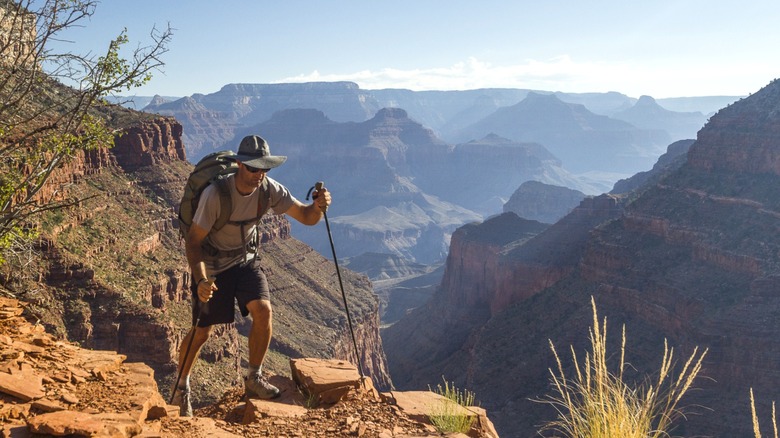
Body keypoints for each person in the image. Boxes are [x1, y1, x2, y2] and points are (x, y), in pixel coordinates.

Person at [171, 135, 331, 416]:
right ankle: (181, 387)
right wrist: (200, 281)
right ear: (239, 165)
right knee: (202, 332)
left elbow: (306, 216)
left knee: (264, 310)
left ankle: (253, 377)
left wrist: (318, 207)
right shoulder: (216, 195)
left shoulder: (270, 190)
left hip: (245, 261)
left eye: (264, 169)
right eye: (254, 168)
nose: (259, 175)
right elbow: (194, 241)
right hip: (213, 265)